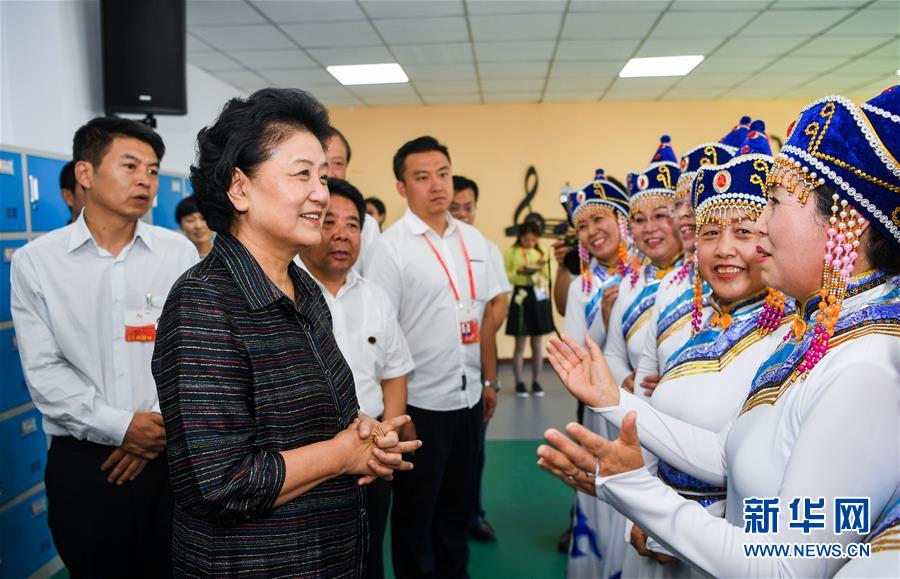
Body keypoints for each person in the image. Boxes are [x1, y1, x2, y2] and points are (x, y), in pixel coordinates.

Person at [540, 88, 900, 578]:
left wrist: (635, 489)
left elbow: (786, 567)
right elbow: (727, 456)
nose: (760, 231)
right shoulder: (821, 335)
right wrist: (613, 401)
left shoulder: (867, 369)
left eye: (772, 205)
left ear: (846, 224)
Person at [152, 88, 420, 576]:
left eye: (323, 175)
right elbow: (220, 482)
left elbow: (310, 412)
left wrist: (363, 429)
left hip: (330, 553)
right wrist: (341, 454)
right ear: (239, 188)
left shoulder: (303, 289)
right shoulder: (204, 303)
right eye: (302, 174)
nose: (321, 192)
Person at [11, 117, 199, 577]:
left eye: (153, 170)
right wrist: (120, 428)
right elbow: (45, 371)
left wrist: (149, 431)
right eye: (131, 165)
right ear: (85, 174)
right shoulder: (37, 262)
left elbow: (190, 351)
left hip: (170, 454)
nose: (145, 180)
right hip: (85, 463)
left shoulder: (177, 253)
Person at [619, 126, 797, 579]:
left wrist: (675, 526)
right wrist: (643, 512)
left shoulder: (798, 339)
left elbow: (757, 474)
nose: (724, 250)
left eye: (743, 231)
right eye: (711, 232)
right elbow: (661, 424)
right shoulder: (708, 327)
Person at [365, 136, 506, 578]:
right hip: (420, 406)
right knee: (415, 518)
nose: (437, 185)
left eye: (442, 173)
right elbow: (382, 335)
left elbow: (484, 318)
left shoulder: (475, 241)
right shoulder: (389, 248)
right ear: (402, 187)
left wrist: (488, 381)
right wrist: (396, 411)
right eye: (422, 177)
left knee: (456, 512)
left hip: (466, 401)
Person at [298, 177, 415, 579]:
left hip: (372, 461)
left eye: (352, 224)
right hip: (306, 464)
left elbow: (394, 375)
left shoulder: (375, 298)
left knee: (368, 558)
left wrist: (387, 438)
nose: (342, 234)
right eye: (329, 222)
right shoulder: (283, 294)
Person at [630, 120, 746, 400]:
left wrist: (674, 383)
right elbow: (647, 368)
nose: (682, 214)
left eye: (693, 202)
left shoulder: (752, 283)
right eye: (678, 203)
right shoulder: (672, 281)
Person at [559, 168, 632, 579]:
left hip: (648, 407)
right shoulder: (581, 287)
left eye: (599, 219)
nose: (590, 231)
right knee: (601, 493)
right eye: (582, 225)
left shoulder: (651, 272)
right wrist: (606, 321)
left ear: (622, 219)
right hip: (602, 410)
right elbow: (574, 353)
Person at [450, 174, 512, 542]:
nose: (462, 213)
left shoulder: (484, 248)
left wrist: (479, 332)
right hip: (432, 375)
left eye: (468, 207)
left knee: (473, 451)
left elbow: (498, 303)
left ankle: (472, 514)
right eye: (455, 207)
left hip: (475, 368)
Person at [603, 135, 684, 394]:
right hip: (636, 409)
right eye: (638, 219)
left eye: (660, 215)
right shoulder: (630, 283)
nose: (649, 228)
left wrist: (677, 381)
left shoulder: (704, 281)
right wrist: (626, 378)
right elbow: (613, 354)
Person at [505, 220, 554, 398]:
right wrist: (518, 272)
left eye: (533, 241)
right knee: (520, 343)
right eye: (527, 241)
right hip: (520, 296)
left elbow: (549, 276)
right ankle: (519, 382)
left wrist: (542, 267)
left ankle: (536, 380)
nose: (530, 244)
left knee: (537, 343)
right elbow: (506, 276)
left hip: (537, 296)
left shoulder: (540, 253)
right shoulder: (512, 252)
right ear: (520, 237)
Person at [324, 125, 381, 275]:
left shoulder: (368, 226)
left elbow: (373, 285)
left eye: (337, 163)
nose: (329, 172)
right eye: (322, 162)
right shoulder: (288, 220)